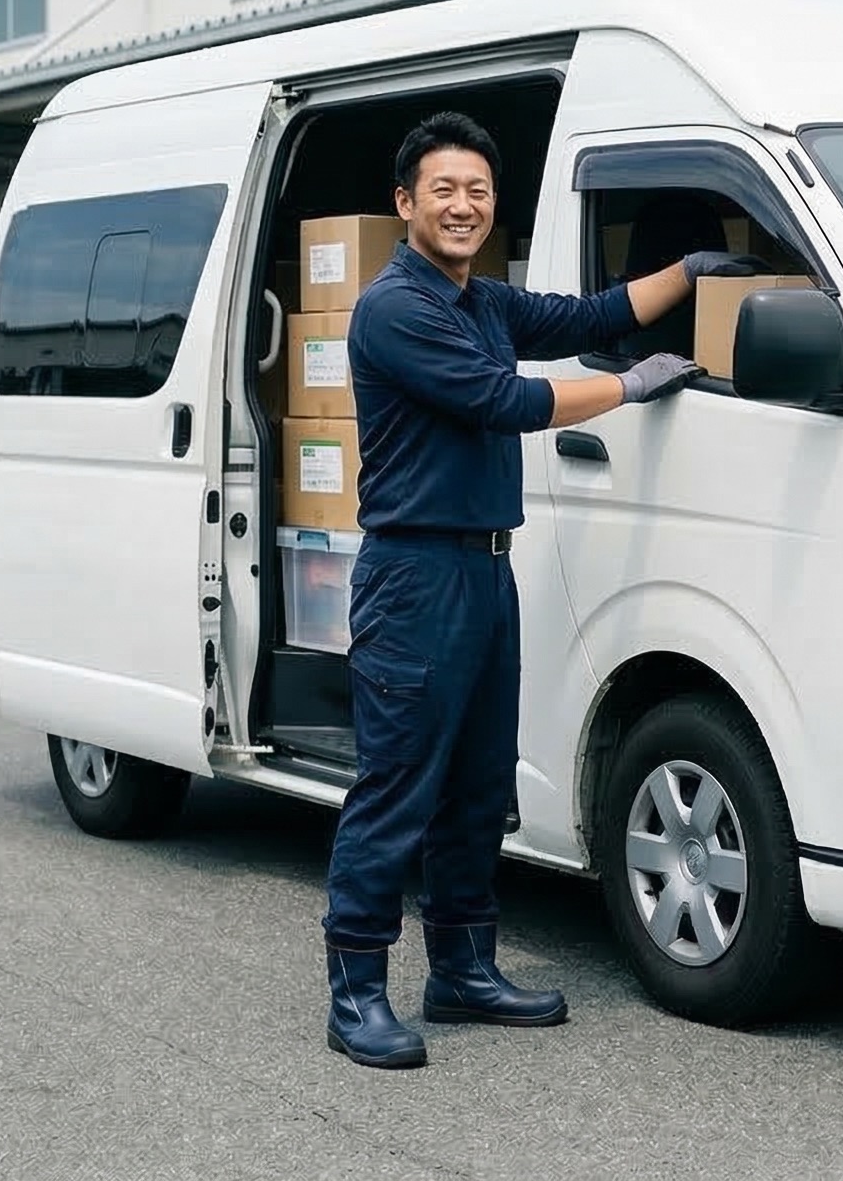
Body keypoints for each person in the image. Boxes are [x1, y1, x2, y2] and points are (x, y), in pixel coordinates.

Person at [321, 110, 761, 1070]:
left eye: (477, 190)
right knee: (397, 788)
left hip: (484, 568)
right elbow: (502, 399)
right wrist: (629, 389)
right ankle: (355, 990)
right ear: (405, 205)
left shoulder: (480, 299)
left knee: (479, 789)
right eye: (443, 189)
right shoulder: (394, 308)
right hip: (414, 575)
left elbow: (585, 318)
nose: (463, 204)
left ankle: (462, 970)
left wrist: (686, 273)